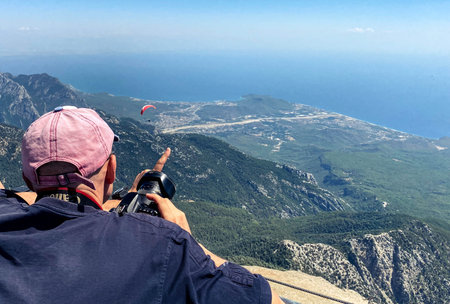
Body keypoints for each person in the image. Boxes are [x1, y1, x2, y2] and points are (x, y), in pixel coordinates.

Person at [0, 106, 283, 304]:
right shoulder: (160, 245)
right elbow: (269, 300)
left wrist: (124, 204)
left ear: (26, 178)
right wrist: (189, 243)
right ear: (111, 170)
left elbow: (47, 202)